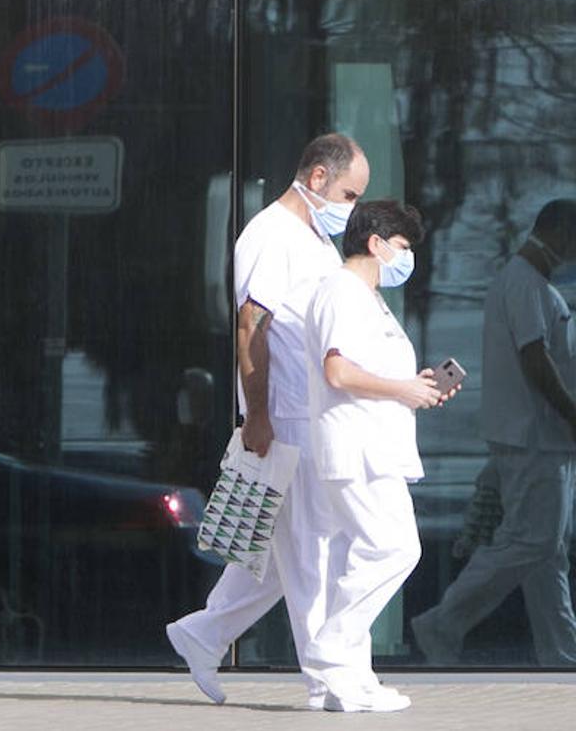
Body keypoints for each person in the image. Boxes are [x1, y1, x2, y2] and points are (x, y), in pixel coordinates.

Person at [165, 133, 368, 709]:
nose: (351, 206)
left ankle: (202, 634)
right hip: (285, 417)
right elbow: (251, 326)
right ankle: (328, 682)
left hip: (308, 414)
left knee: (284, 552)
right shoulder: (269, 235)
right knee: (308, 549)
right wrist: (257, 415)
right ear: (318, 177)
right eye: (350, 192)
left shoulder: (312, 239)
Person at [411, 198, 576, 666]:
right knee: (531, 543)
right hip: (536, 439)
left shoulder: (529, 284)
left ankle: (560, 653)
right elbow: (535, 358)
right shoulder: (525, 284)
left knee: (546, 553)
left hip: (539, 439)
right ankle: (443, 623)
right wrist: (571, 413)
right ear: (562, 233)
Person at [302, 199, 452, 712]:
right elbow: (338, 373)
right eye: (403, 247)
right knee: (395, 549)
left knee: (360, 556)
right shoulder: (342, 292)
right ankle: (331, 647)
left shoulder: (365, 296)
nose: (405, 259)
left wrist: (417, 389)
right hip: (357, 447)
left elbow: (371, 372)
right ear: (376, 242)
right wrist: (403, 391)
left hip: (372, 445)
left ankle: (350, 680)